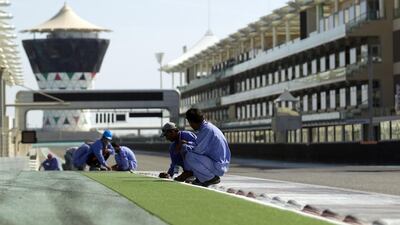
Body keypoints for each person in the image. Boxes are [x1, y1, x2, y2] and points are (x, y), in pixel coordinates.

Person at [177, 108, 231, 187]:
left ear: (191, 122)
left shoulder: (206, 130)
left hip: (217, 165)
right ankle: (201, 178)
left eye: (189, 122)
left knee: (189, 156)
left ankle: (210, 178)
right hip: (218, 163)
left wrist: (184, 147)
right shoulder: (207, 128)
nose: (190, 125)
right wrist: (188, 143)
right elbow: (199, 145)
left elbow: (198, 150)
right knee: (188, 150)